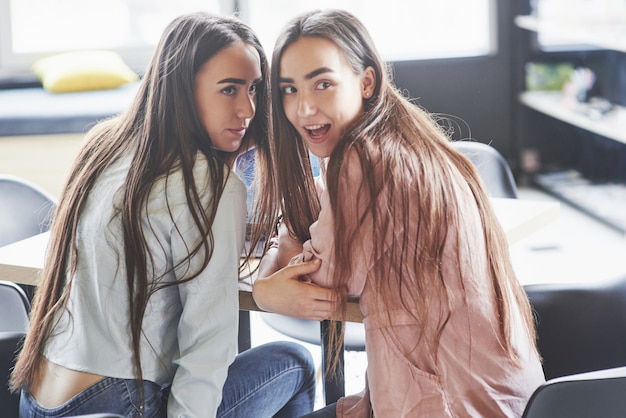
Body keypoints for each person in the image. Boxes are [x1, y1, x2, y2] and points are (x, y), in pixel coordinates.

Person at [10, 12, 317, 417]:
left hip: (37, 401)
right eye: (229, 90)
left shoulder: (106, 145)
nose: (248, 109)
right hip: (114, 404)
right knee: (296, 363)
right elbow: (207, 347)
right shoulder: (206, 185)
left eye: (255, 89)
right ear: (182, 90)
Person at [252, 8, 545, 417]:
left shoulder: (360, 162)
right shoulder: (414, 146)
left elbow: (316, 279)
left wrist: (265, 280)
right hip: (507, 400)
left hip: (445, 405)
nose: (304, 109)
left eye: (323, 84)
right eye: (289, 90)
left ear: (366, 81)